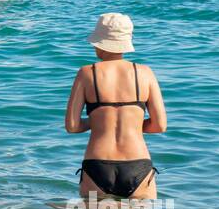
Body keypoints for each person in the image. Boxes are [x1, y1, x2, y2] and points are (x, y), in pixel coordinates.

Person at [65, 13, 166, 199]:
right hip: (138, 163)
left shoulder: (86, 73)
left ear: (100, 42)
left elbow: (72, 126)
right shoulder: (145, 73)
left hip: (97, 165)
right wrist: (133, 124)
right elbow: (159, 125)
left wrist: (96, 122)